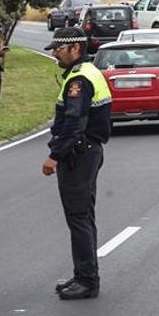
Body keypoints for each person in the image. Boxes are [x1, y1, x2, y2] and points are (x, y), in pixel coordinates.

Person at [42, 27, 112, 300]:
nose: (54, 53)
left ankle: (87, 280)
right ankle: (83, 274)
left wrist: (54, 156)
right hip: (88, 152)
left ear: (75, 49)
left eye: (58, 49)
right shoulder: (86, 72)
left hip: (78, 154)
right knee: (83, 216)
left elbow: (73, 124)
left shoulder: (79, 80)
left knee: (79, 218)